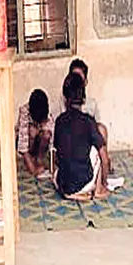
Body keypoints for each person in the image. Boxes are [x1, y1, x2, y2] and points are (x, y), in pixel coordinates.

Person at [53, 73, 110, 201]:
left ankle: (69, 193)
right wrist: (104, 182)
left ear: (65, 98)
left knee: (57, 172)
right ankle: (98, 190)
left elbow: (57, 155)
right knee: (97, 149)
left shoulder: (59, 121)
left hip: (62, 183)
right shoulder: (88, 121)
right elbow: (105, 159)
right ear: (83, 99)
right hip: (84, 183)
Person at [68, 58, 113, 174]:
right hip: (72, 142)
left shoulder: (91, 103)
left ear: (86, 81)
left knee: (102, 128)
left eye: (79, 77)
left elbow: (97, 129)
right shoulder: (65, 101)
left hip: (87, 141)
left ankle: (104, 164)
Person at [15, 89, 54, 180]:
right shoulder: (24, 112)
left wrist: (53, 168)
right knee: (32, 131)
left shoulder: (47, 113)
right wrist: (34, 170)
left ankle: (39, 159)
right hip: (25, 142)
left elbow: (52, 143)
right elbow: (22, 146)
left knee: (46, 134)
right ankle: (31, 161)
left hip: (37, 142)